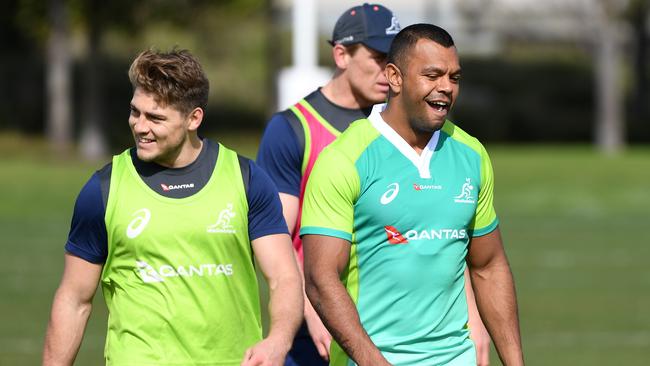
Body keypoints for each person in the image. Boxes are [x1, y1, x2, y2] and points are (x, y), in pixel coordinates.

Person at [257, 4, 490, 365]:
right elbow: (276, 235)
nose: (387, 69)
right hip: (314, 324)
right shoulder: (293, 130)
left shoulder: (410, 124)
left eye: (393, 58)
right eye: (378, 55)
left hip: (401, 333)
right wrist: (310, 304)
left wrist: (473, 320)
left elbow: (446, 232)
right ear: (341, 54)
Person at [43, 49, 303, 366]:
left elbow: (284, 278)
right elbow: (74, 299)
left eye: (155, 118)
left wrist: (278, 340)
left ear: (194, 118)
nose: (139, 126)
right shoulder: (103, 190)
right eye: (135, 112)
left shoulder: (246, 179)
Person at [300, 23, 524, 366]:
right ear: (395, 77)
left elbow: (489, 266)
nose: (446, 88)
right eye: (432, 75)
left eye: (454, 77)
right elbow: (320, 279)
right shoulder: (344, 159)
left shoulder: (471, 154)